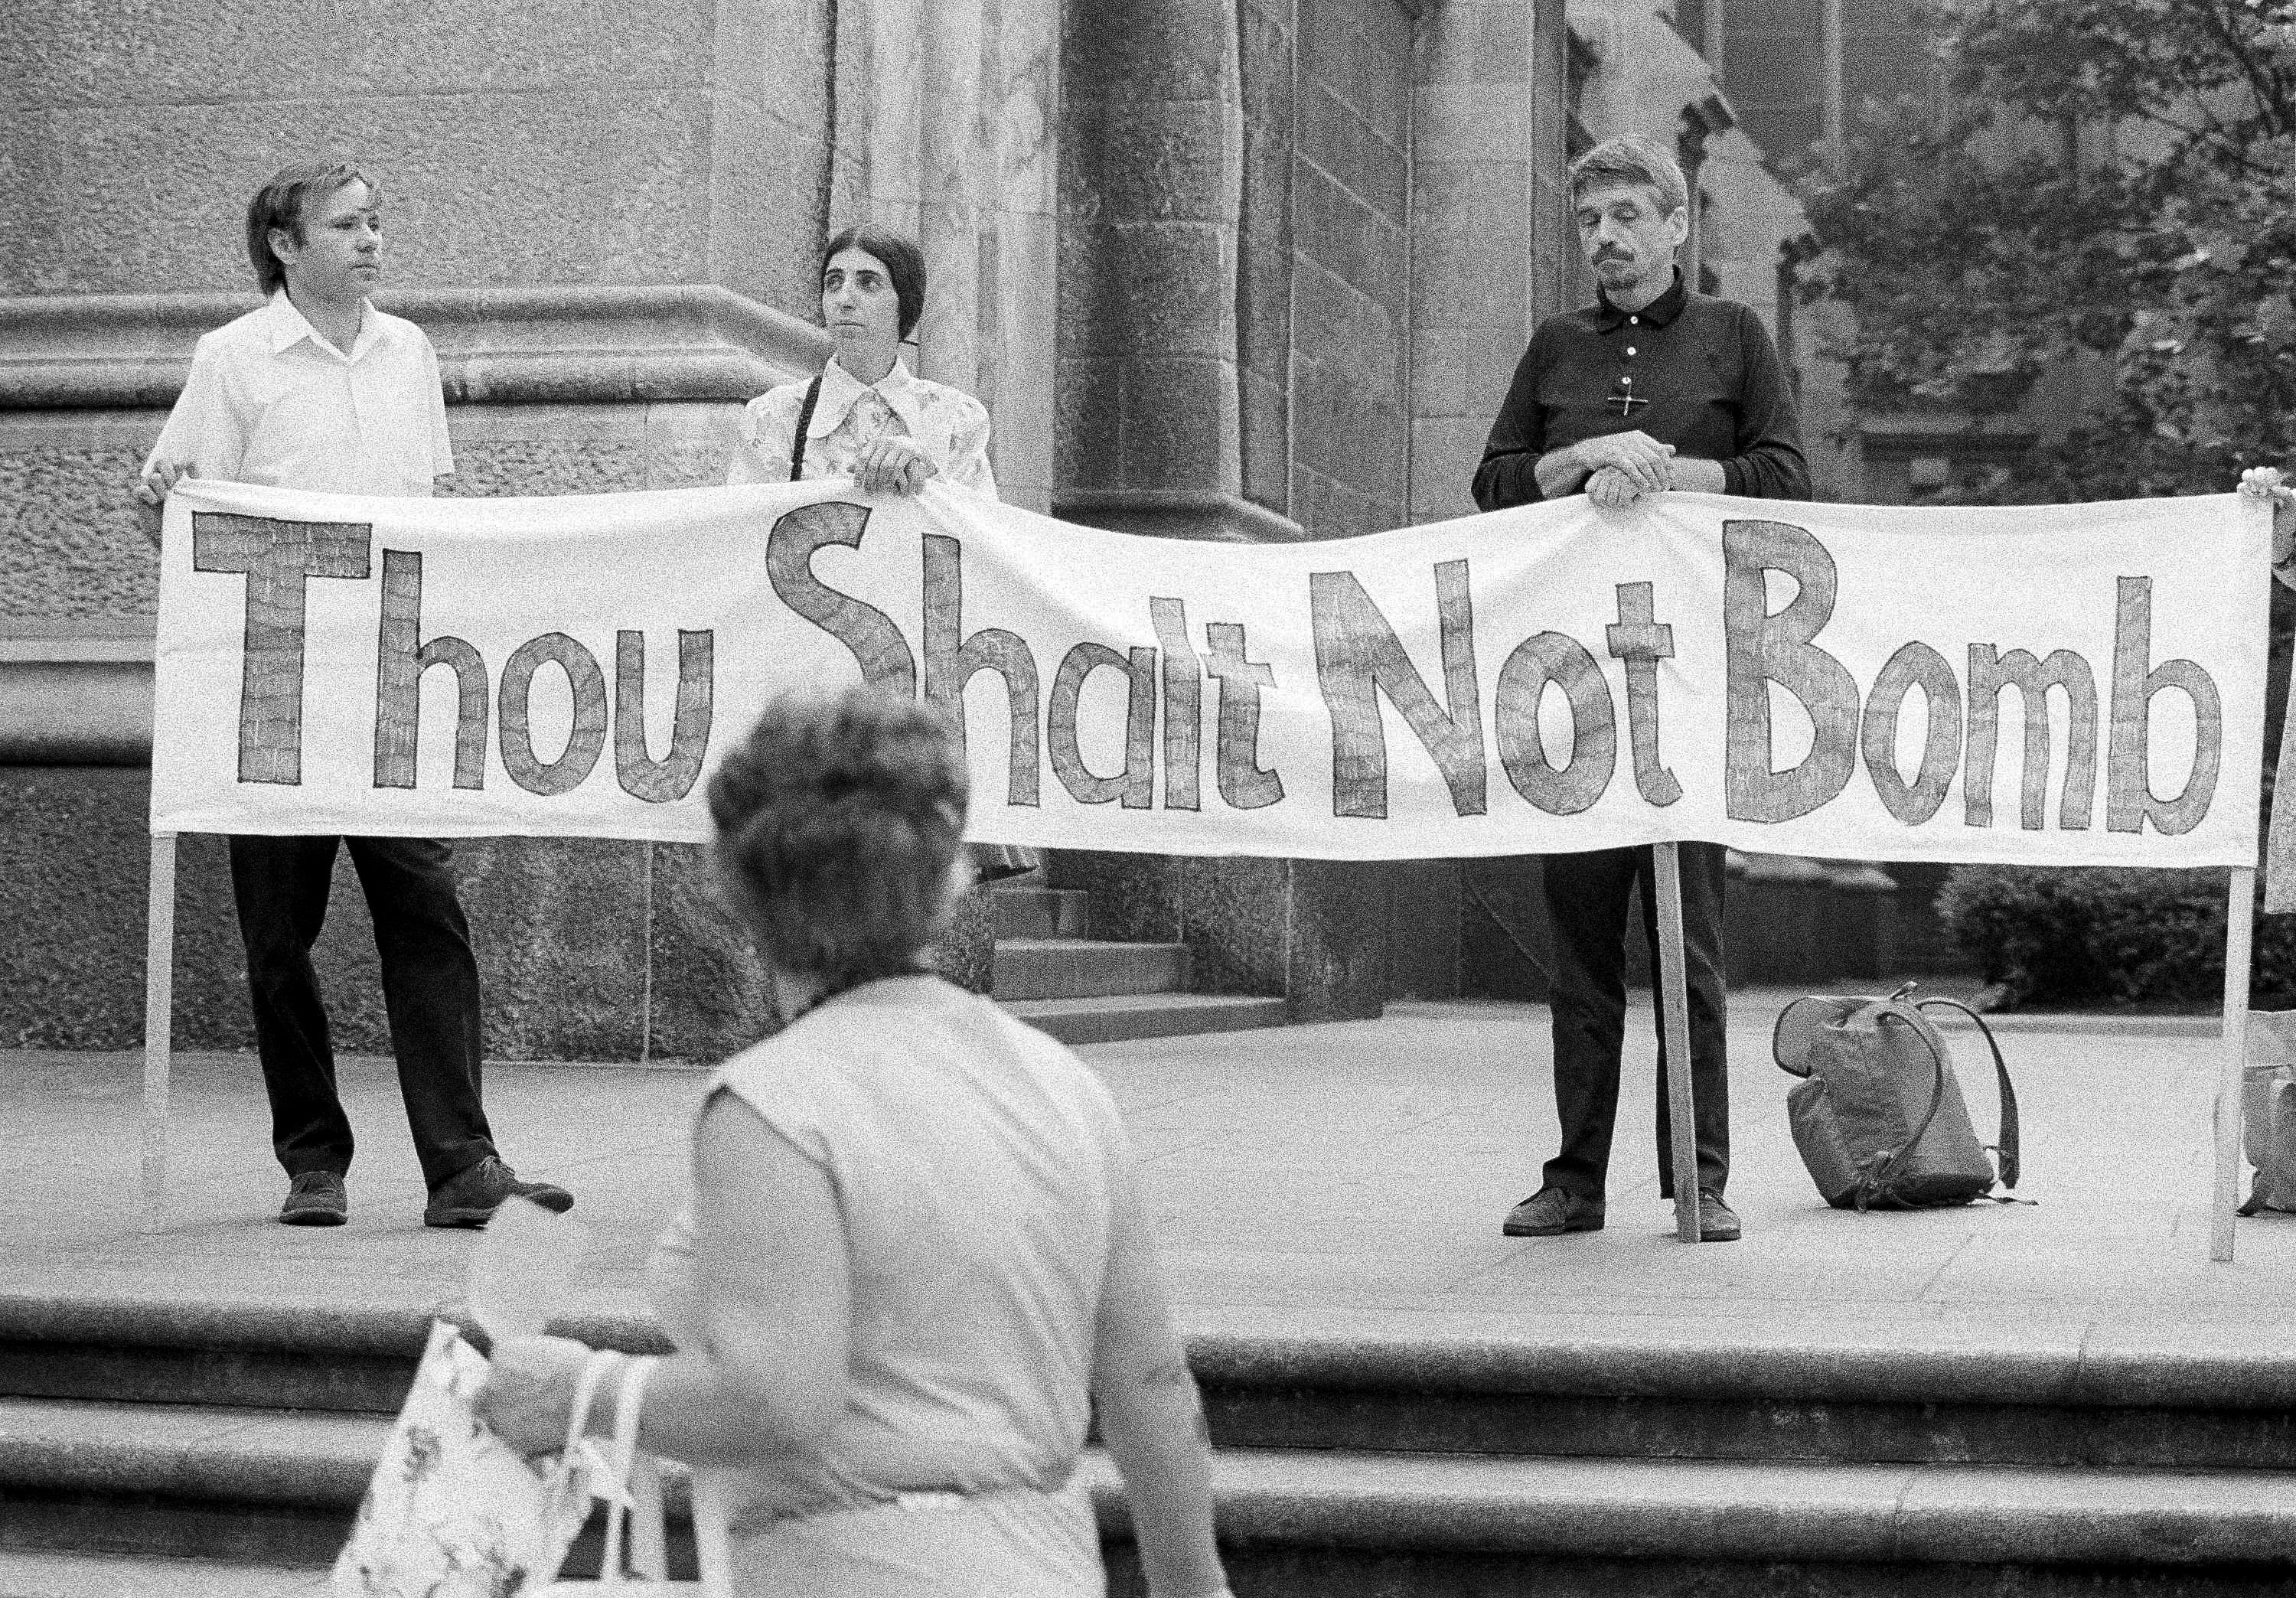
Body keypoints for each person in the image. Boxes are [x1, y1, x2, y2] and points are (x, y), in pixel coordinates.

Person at [475, 686, 1231, 1598]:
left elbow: (778, 1399)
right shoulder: (1062, 1083)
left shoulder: (770, 1104)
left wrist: (581, 1390)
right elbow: (1150, 1385)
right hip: (1047, 1561)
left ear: (737, 891)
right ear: (947, 876)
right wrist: (1198, 1589)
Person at [132, 159, 572, 1231]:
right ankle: (313, 1159)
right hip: (274, 692)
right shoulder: (231, 360)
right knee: (279, 939)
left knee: (427, 912)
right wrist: (161, 507)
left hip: (392, 688)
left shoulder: (408, 351)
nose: (371, 242)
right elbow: (176, 521)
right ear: (286, 246)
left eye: (377, 222)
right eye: (346, 225)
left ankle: (463, 1164)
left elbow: (438, 504)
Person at [1471, 134, 1812, 1244]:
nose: (1608, 240)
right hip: (1568, 682)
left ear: (1675, 225)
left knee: (1687, 945)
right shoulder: (1555, 347)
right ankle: (1573, 1179)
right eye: (1590, 222)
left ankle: (1699, 1178)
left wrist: (1667, 471)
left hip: (1692, 683)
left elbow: (1784, 477)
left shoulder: (1734, 335)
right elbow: (1495, 481)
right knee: (1578, 953)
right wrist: (1582, 458)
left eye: (1628, 216)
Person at [726, 223, 1037, 881]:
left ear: (905, 306)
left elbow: (988, 547)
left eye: (869, 283)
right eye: (834, 282)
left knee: (903, 858)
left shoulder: (953, 419)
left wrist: (931, 484)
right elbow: (734, 535)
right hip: (805, 672)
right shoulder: (776, 416)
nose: (846, 299)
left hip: (911, 679)